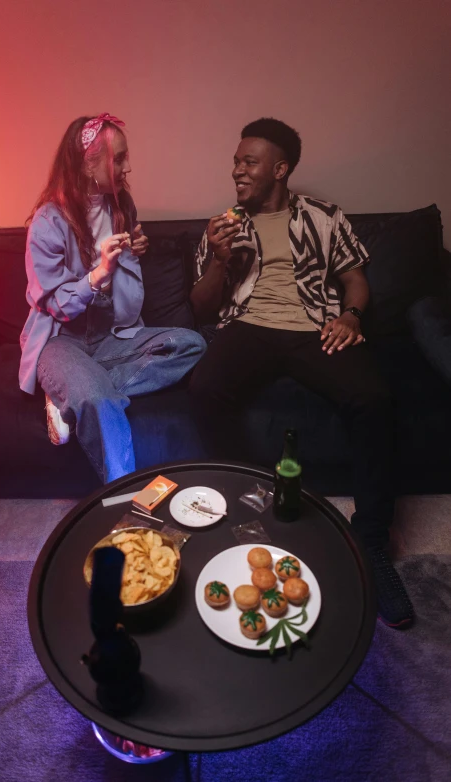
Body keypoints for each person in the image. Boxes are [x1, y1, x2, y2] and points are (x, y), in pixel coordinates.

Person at [189, 117, 414, 628]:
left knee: (375, 398)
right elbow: (201, 309)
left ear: (280, 168)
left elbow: (356, 281)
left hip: (313, 327)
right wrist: (220, 261)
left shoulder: (324, 217)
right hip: (247, 326)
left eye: (249, 161)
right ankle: (247, 509)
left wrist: (350, 316)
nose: (237, 170)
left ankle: (373, 544)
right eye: (236, 161)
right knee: (204, 388)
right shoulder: (222, 224)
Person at [20, 113, 206, 483]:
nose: (127, 166)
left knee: (190, 344)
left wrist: (133, 250)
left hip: (111, 336)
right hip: (61, 340)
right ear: (88, 164)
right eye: (117, 158)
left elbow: (128, 286)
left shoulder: (121, 205)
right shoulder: (48, 221)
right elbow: (53, 304)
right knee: (101, 402)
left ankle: (69, 398)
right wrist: (98, 274)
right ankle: (122, 499)